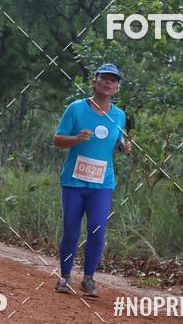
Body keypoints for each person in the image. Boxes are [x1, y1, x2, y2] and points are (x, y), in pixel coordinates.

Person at [53, 63, 131, 297]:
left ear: (117, 88)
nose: (108, 83)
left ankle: (88, 279)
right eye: (104, 78)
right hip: (74, 182)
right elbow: (57, 139)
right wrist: (76, 139)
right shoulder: (76, 109)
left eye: (113, 80)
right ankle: (65, 276)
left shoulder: (119, 115)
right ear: (94, 82)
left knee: (97, 227)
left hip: (102, 184)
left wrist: (123, 147)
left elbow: (116, 141)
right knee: (71, 230)